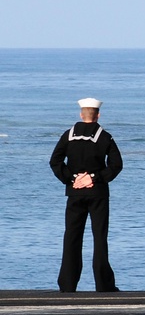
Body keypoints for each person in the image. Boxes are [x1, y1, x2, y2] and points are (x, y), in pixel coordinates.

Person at [49, 97, 123, 293]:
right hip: (98, 193)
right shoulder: (105, 137)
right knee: (99, 237)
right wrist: (94, 178)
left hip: (74, 193)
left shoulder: (68, 135)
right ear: (98, 115)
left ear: (81, 115)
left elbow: (55, 161)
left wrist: (72, 178)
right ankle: (104, 284)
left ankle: (67, 284)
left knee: (72, 237)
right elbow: (116, 165)